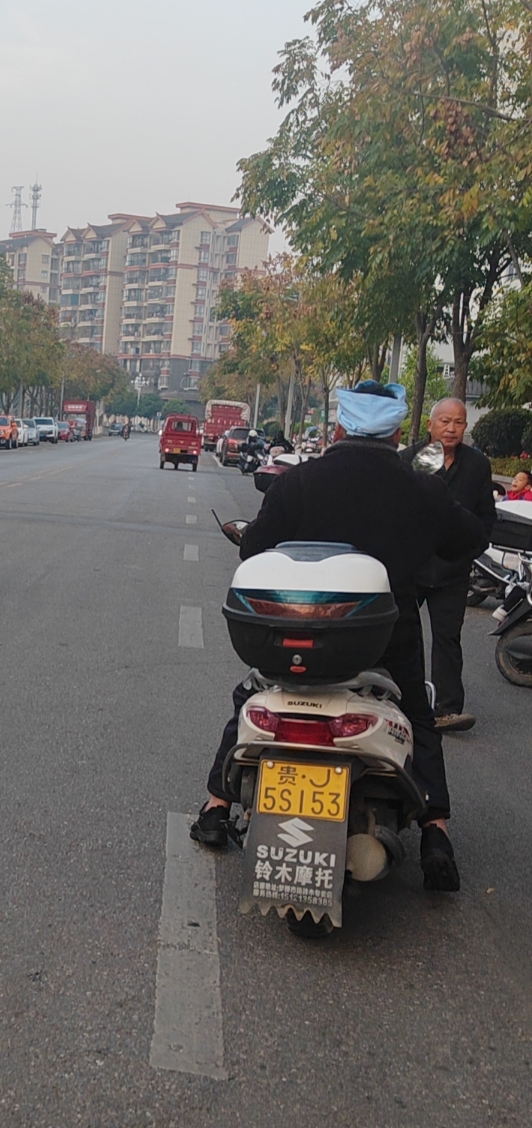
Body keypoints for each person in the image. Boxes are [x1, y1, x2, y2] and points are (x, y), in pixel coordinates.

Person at [191, 380, 488, 892]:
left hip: (300, 632)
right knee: (418, 717)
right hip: (385, 635)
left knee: (254, 694)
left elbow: (254, 547)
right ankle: (435, 831)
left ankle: (217, 806)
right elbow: (470, 539)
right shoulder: (422, 489)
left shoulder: (301, 481)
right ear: (396, 433)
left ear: (339, 428)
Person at [403, 398, 496, 732]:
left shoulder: (477, 465)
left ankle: (447, 709)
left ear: (466, 426)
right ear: (430, 425)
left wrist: (471, 548)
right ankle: (400, 702)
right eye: (445, 421)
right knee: (401, 636)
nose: (451, 428)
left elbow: (486, 516)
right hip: (411, 567)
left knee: (448, 639)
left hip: (453, 569)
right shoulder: (409, 460)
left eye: (458, 422)